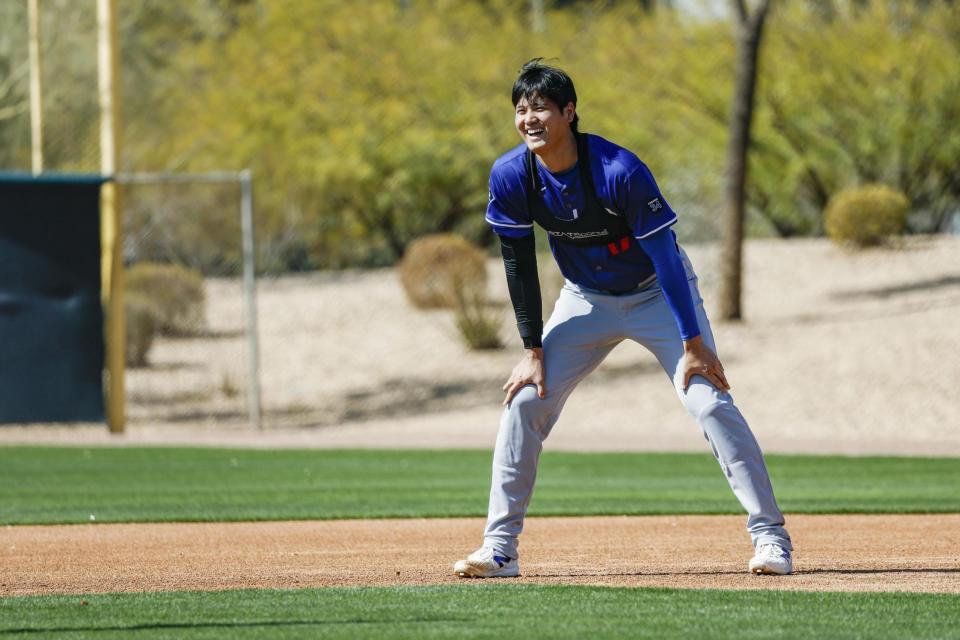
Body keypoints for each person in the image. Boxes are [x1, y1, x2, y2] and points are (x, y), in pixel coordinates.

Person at [452, 59, 793, 579]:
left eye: (541, 107)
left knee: (709, 404)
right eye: (521, 110)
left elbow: (667, 259)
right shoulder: (512, 175)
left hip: (656, 293)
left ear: (570, 111)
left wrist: (694, 342)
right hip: (585, 298)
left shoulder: (619, 170)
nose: (529, 119)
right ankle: (500, 550)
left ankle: (771, 540)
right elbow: (518, 264)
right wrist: (532, 350)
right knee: (524, 401)